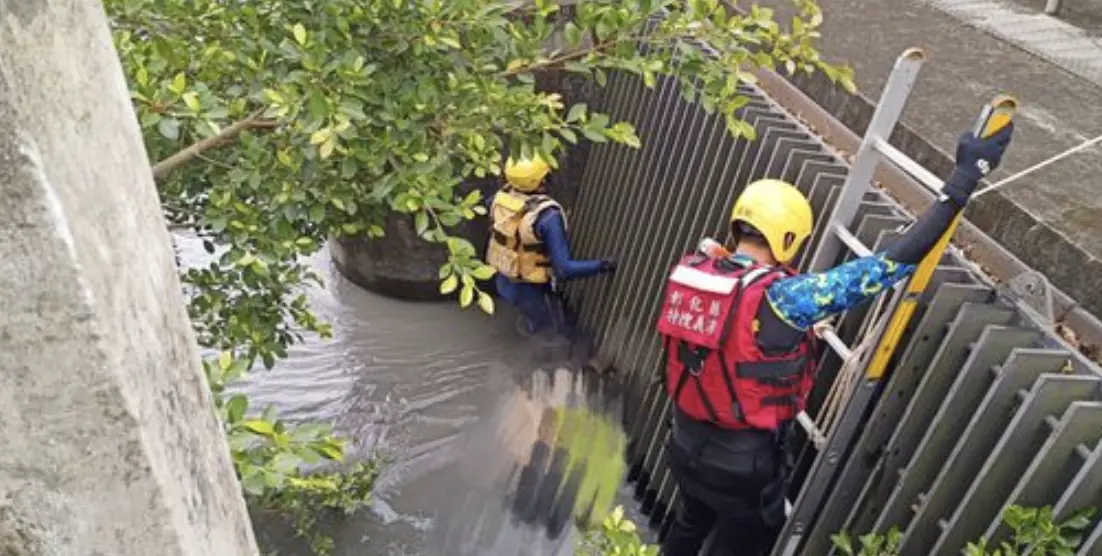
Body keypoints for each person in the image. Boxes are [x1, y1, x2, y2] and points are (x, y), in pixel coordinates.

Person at [655, 122, 1015, 556]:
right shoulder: (787, 299)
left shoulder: (693, 270)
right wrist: (963, 180)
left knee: (689, 523)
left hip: (683, 440)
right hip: (742, 464)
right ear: (788, 238)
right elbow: (894, 261)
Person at [486, 154, 616, 337]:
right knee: (554, 336)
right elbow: (564, 270)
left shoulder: (498, 200)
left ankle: (530, 329)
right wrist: (603, 265)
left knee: (534, 324)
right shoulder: (547, 217)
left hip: (505, 282)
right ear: (542, 180)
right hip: (533, 292)